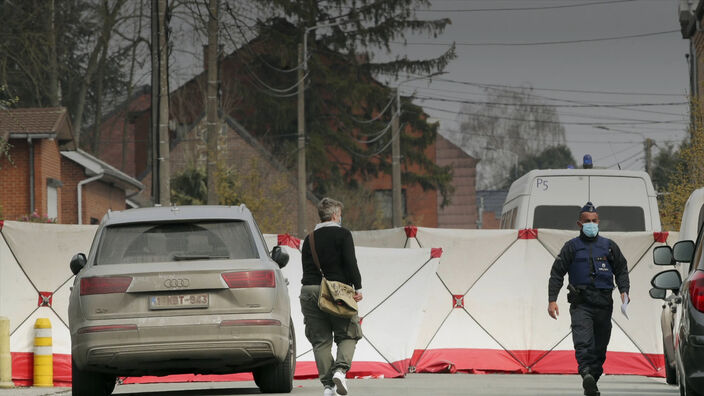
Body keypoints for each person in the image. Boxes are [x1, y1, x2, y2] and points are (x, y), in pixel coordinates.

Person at [547, 201, 630, 396]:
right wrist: (552, 300)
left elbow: (621, 270)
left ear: (598, 222)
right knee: (583, 341)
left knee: (600, 346)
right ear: (579, 224)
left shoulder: (609, 246)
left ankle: (592, 378)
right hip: (581, 304)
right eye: (587, 221)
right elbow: (556, 274)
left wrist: (624, 291)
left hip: (603, 303)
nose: (591, 224)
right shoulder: (571, 247)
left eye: (594, 221)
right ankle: (585, 373)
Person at [300, 197, 363, 396]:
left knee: (320, 341)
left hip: (309, 291)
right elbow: (350, 263)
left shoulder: (308, 239)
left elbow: (307, 269)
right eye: (340, 215)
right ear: (335, 215)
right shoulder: (343, 235)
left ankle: (329, 386)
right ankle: (340, 371)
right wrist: (358, 287)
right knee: (348, 334)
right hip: (337, 292)